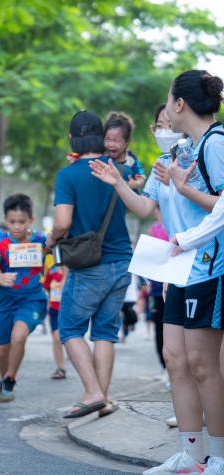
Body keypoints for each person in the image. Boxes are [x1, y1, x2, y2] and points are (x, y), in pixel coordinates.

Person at [89, 70, 224, 475]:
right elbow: (147, 208)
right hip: (178, 265)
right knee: (174, 358)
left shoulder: (215, 144)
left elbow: (222, 205)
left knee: (203, 364)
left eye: (168, 101)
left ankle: (218, 456)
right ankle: (191, 453)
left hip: (208, 265)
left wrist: (183, 198)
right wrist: (117, 182)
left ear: (180, 105)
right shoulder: (183, 151)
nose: (164, 111)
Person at [46, 110, 132, 419]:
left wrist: (51, 240)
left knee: (70, 328)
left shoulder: (68, 175)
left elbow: (62, 221)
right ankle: (104, 399)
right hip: (122, 260)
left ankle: (93, 392)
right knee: (105, 332)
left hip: (89, 265)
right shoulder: (118, 169)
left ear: (72, 139)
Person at [0, 193, 47, 403]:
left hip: (32, 298)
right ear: (5, 220)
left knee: (18, 336)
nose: (17, 227)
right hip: (6, 300)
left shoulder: (41, 240)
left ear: (31, 220)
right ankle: (4, 379)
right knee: (1, 349)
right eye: (12, 222)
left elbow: (61, 250)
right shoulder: (1, 244)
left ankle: (11, 378)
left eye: (22, 222)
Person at [103, 111, 146, 191]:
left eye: (116, 141)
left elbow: (141, 177)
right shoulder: (102, 155)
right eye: (107, 139)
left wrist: (135, 183)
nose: (111, 144)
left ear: (127, 142)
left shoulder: (131, 159)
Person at [43, 263, 67, 380]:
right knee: (57, 338)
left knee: (71, 340)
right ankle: (61, 368)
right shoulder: (52, 269)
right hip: (55, 309)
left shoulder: (74, 268)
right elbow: (46, 287)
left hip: (70, 310)